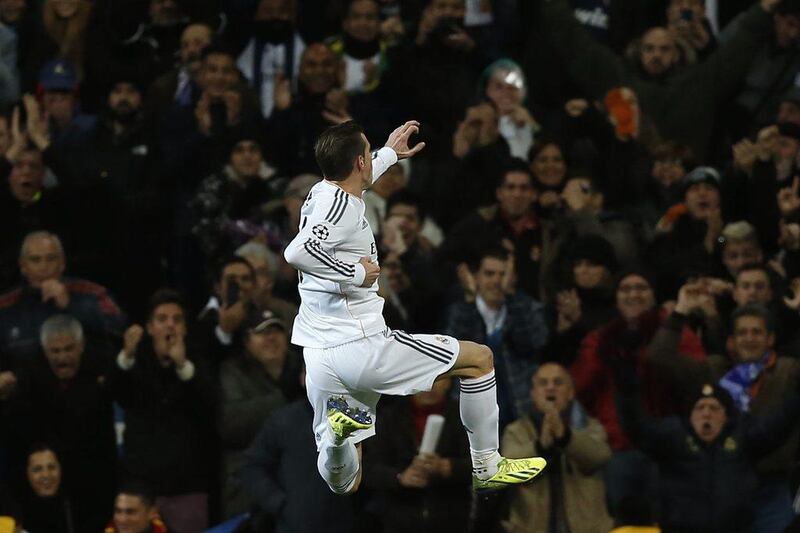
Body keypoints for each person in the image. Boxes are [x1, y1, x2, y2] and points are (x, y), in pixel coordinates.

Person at [283, 120, 546, 496]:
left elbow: (352, 188)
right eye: (369, 152)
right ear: (360, 162)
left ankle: (339, 440)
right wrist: (355, 274)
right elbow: (297, 251)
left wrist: (389, 153)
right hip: (362, 347)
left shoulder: (321, 192)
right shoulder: (342, 207)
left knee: (346, 481)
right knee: (479, 360)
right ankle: (487, 465)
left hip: (320, 357)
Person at [114, 289, 215, 533]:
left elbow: (209, 406)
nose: (170, 325)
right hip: (142, 489)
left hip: (187, 489)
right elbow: (114, 393)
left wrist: (182, 366)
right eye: (162, 319)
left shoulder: (199, 361)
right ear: (149, 327)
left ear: (186, 328)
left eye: (177, 319)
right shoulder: (135, 363)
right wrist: (126, 355)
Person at [501, 363, 613, 533]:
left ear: (571, 393)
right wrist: (540, 448)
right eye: (543, 383)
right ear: (533, 394)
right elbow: (508, 470)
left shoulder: (589, 426)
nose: (550, 388)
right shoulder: (516, 431)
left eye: (558, 382)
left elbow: (600, 456)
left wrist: (565, 437)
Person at [362, 377, 472, 533]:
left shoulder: (465, 416)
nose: (429, 386)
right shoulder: (389, 418)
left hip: (451, 516)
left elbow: (486, 465)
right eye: (422, 377)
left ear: (449, 382)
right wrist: (401, 477)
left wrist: (447, 467)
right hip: (399, 517)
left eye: (438, 379)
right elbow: (368, 469)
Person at [0, 231, 126, 365]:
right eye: (35, 260)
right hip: (25, 384)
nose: (44, 267)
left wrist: (71, 306)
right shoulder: (5, 305)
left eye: (51, 258)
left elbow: (120, 329)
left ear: (62, 263)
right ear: (23, 267)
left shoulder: (92, 293)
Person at [18, 444, 75, 533]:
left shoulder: (78, 510)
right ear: (27, 474)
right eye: (37, 469)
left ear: (60, 469)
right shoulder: (14, 521)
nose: (46, 475)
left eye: (51, 467)